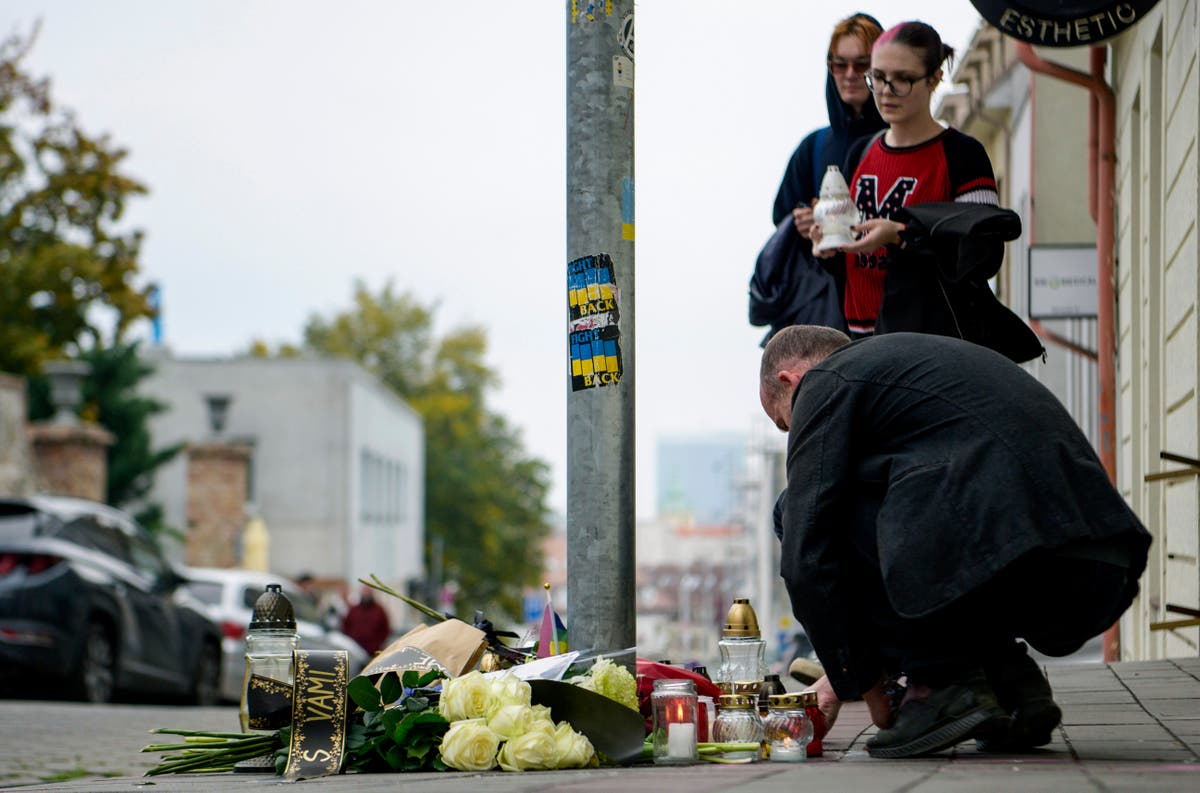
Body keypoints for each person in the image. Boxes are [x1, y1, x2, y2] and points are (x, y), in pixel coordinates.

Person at [759, 325, 1151, 758]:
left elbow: (805, 558)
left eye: (785, 422)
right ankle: (1010, 685)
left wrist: (870, 694)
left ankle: (941, 685)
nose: (794, 435)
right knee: (875, 501)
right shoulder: (919, 372)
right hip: (1099, 565)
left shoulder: (826, 380)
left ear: (789, 381)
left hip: (1013, 547)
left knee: (796, 510)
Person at [814, 20, 1035, 354]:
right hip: (859, 341)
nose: (886, 91)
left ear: (934, 78)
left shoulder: (962, 154)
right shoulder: (860, 153)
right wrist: (828, 248)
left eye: (902, 79)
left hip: (931, 345)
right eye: (877, 77)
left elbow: (983, 254)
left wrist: (901, 235)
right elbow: (850, 262)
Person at [773, 13, 887, 231]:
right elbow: (782, 218)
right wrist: (805, 222)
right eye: (840, 65)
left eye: (862, 64)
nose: (850, 74)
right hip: (826, 263)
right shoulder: (812, 148)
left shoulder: (904, 139)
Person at [341, 585, 392, 656]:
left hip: (374, 652)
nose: (366, 593)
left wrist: (377, 644)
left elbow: (386, 629)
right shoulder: (353, 610)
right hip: (355, 651)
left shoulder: (379, 610)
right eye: (365, 591)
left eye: (368, 591)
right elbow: (345, 627)